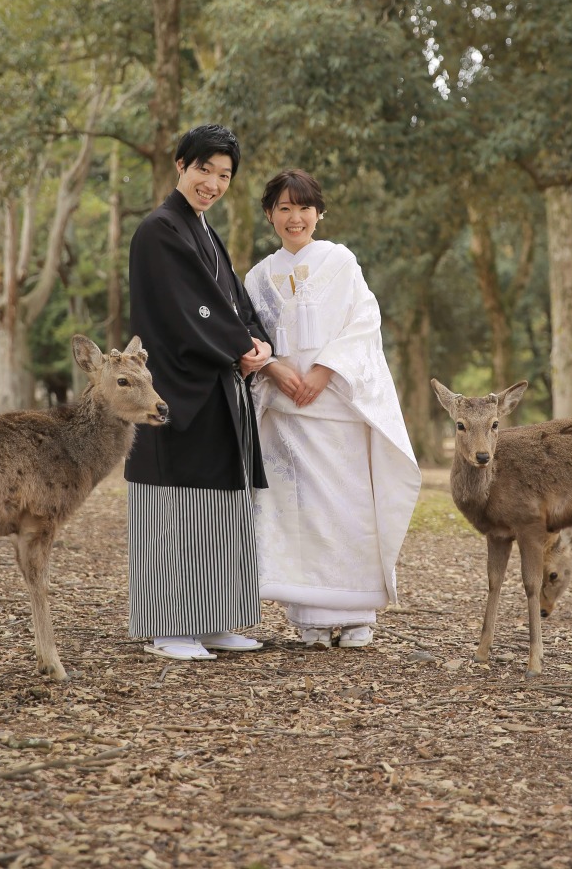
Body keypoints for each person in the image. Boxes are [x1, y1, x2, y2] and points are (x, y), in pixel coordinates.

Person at [244, 169, 421, 649]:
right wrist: (276, 368)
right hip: (286, 411)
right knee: (297, 511)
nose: (295, 217)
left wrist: (323, 371)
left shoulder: (341, 262)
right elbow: (251, 335)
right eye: (284, 208)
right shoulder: (258, 277)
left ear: (319, 213)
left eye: (304, 207)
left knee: (346, 507)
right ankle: (311, 618)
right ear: (269, 215)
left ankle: (358, 614)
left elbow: (364, 322)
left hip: (337, 406)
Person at [125, 124, 272, 661]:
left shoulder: (204, 232)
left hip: (214, 384)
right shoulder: (159, 229)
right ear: (181, 166)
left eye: (224, 175)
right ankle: (168, 625)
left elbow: (231, 300)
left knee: (220, 508)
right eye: (203, 170)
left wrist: (257, 342)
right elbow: (190, 309)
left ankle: (214, 619)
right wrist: (239, 344)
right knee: (176, 506)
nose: (212, 183)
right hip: (174, 385)